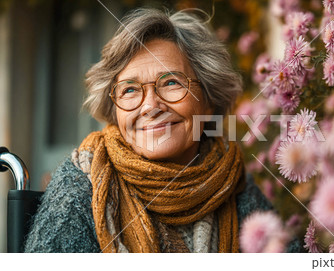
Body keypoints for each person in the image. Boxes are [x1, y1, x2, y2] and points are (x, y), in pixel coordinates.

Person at [24, 8, 302, 253]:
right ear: (115, 111)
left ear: (208, 102)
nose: (150, 106)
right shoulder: (80, 187)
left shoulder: (231, 178)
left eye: (171, 83)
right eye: (130, 89)